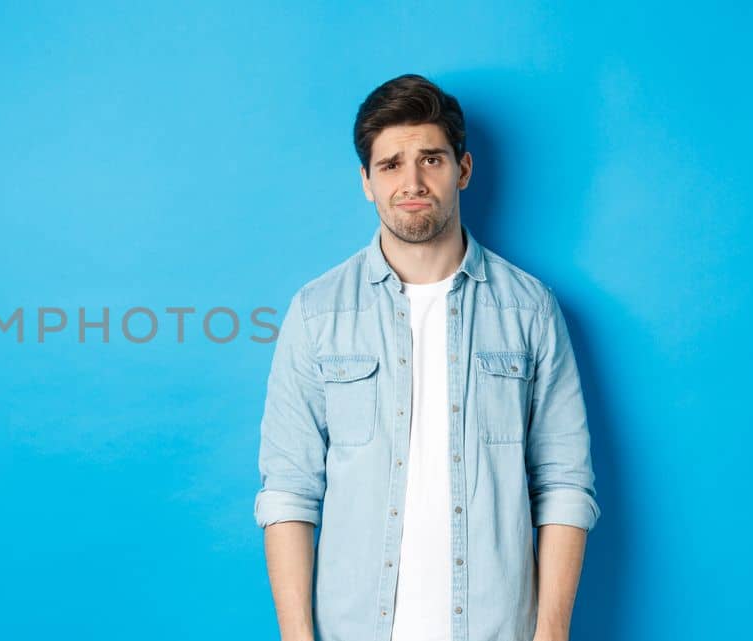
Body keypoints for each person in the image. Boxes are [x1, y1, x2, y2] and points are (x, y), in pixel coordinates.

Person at [254, 74, 599, 641]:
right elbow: (289, 490)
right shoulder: (317, 314)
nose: (411, 182)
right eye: (390, 165)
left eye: (431, 160)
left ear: (463, 169)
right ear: (366, 180)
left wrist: (552, 634)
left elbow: (564, 484)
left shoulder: (530, 310)